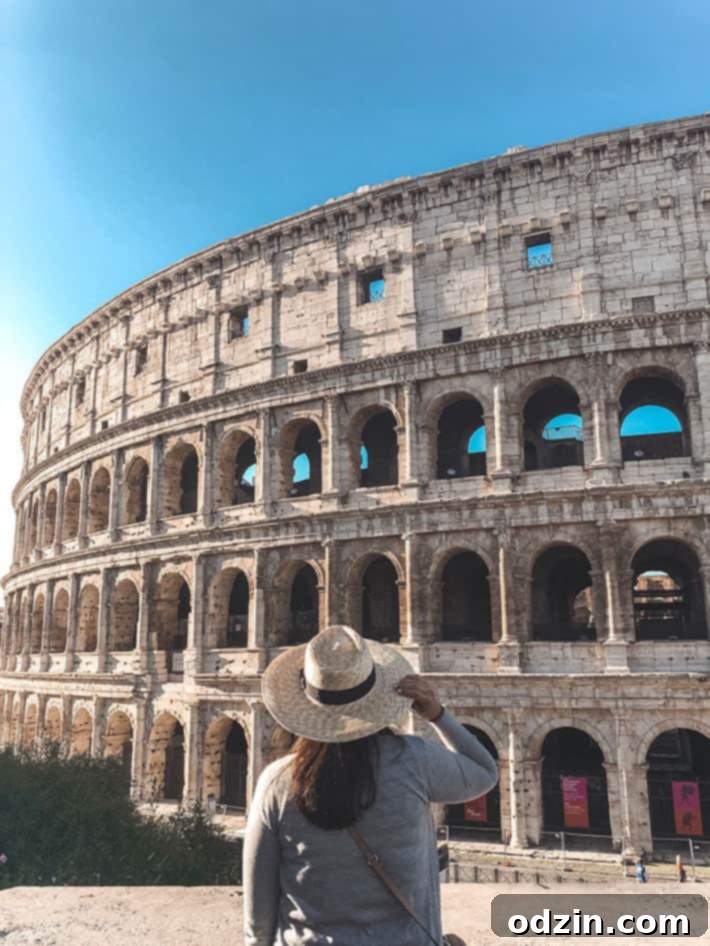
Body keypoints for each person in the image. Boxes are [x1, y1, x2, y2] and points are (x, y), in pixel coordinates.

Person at [243, 624, 498, 946]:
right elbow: (484, 772)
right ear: (376, 694)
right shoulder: (414, 761)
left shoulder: (277, 782)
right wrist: (436, 714)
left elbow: (258, 918)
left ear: (305, 704)